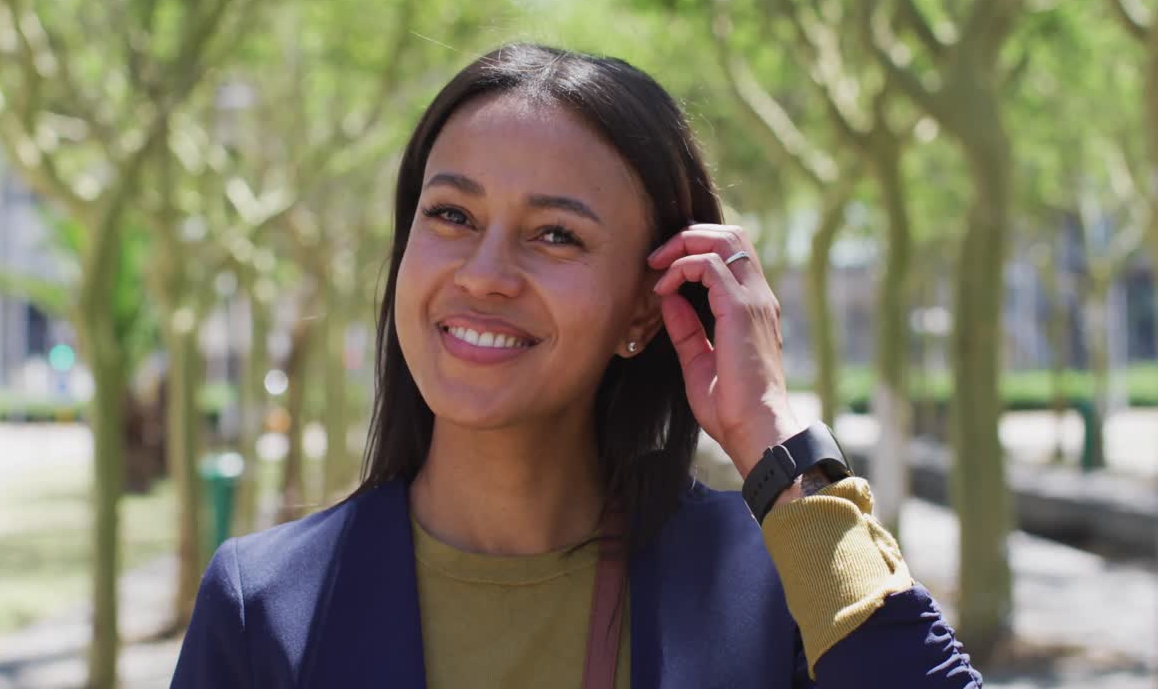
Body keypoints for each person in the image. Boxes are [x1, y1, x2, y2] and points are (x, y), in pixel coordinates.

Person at [170, 44, 984, 688]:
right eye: (451, 214)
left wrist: (775, 435)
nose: (485, 272)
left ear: (645, 306)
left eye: (556, 234)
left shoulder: (771, 575)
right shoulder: (264, 606)